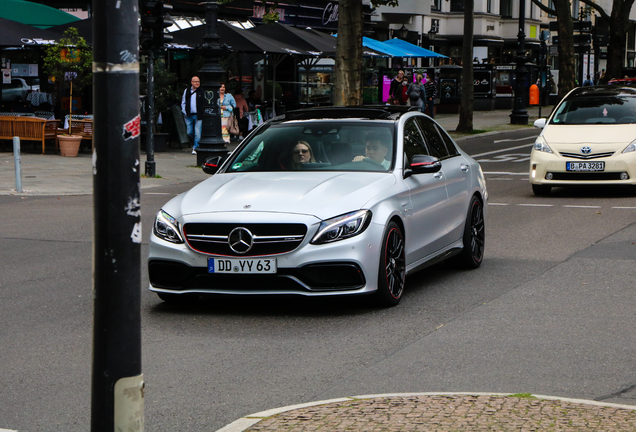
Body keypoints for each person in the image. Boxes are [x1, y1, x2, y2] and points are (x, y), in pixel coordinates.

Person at [181, 76, 204, 155]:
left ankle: (195, 148)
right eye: (195, 81)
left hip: (198, 115)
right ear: (191, 82)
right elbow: (183, 102)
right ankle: (196, 142)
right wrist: (184, 112)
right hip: (189, 115)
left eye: (198, 81)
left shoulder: (202, 91)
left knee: (197, 133)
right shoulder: (187, 91)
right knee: (189, 132)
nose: (197, 83)